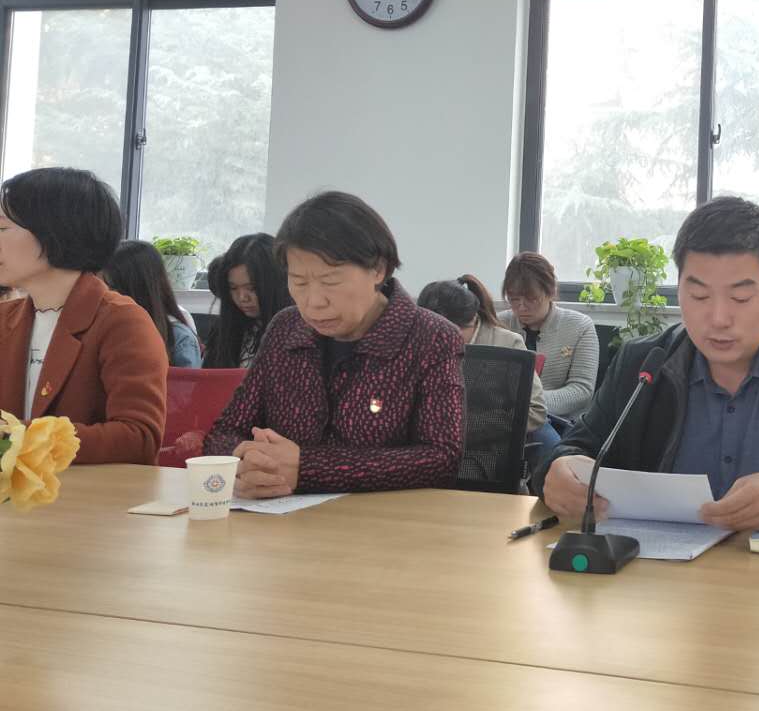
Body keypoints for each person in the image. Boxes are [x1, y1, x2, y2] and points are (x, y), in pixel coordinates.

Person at [536, 196, 759, 531]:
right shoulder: (643, 363)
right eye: (698, 295)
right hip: (656, 574)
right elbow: (573, 450)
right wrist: (558, 471)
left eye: (740, 297)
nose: (718, 318)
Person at [203, 192, 463, 496]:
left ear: (378, 269)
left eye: (330, 282)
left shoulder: (431, 337)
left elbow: (441, 458)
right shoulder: (286, 328)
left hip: (382, 519)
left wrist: (307, 469)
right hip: (279, 514)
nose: (314, 301)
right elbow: (224, 432)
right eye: (299, 282)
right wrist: (249, 463)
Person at [0, 167, 167, 463]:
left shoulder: (121, 322)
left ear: (53, 232)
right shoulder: (6, 318)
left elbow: (138, 438)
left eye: (2, 228)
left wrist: (21, 438)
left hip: (87, 491)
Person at [417, 274, 558, 452]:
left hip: (486, 450)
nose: (439, 342)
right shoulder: (419, 343)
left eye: (448, 334)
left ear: (472, 319)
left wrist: (459, 426)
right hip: (426, 447)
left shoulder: (506, 343)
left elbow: (534, 411)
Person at [497, 252, 599, 423]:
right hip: (503, 419)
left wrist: (529, 403)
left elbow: (582, 391)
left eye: (532, 299)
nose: (521, 307)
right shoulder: (499, 324)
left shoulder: (580, 326)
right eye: (514, 299)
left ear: (551, 292)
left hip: (557, 420)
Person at [101, 240, 202, 367]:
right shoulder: (106, 327)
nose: (106, 296)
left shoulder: (180, 338)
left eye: (112, 287)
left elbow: (186, 381)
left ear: (138, 288)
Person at [203, 233, 291, 368]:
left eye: (252, 288)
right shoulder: (225, 329)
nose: (242, 298)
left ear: (277, 284)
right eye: (233, 288)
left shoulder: (297, 333)